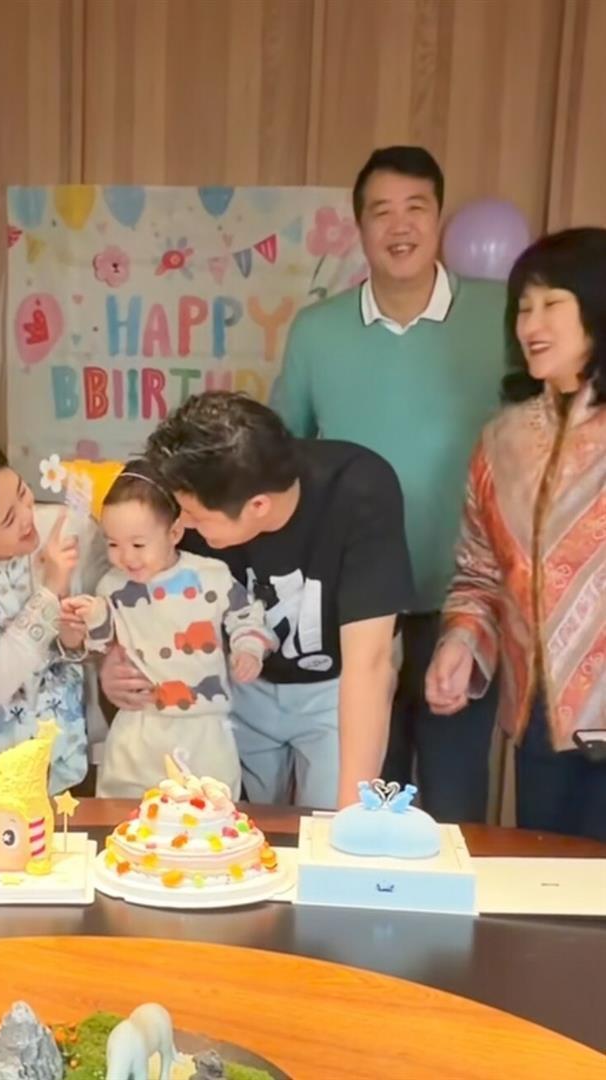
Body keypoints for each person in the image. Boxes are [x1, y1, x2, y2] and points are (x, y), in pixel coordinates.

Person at [270, 146, 506, 823]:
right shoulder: (318, 331)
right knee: (367, 796)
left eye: (415, 208)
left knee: (456, 800)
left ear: (440, 219)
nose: (399, 226)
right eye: (381, 212)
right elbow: (282, 457)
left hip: (466, 602)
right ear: (360, 227)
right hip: (354, 606)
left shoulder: (501, 316)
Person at [103, 393, 415, 809]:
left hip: (335, 690)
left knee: (332, 813)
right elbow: (131, 582)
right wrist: (113, 661)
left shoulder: (358, 488)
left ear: (258, 506)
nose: (182, 525)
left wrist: (351, 816)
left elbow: (371, 663)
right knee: (233, 821)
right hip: (233, 688)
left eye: (196, 517)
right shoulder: (192, 486)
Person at [426, 228, 606, 842]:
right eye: (523, 308)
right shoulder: (502, 441)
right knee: (548, 886)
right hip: (540, 724)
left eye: (552, 303)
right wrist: (461, 643)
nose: (531, 323)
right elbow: (479, 572)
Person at [65, 459, 273, 799]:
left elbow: (248, 616)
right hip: (138, 728)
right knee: (126, 814)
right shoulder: (111, 586)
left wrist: (249, 648)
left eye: (138, 544)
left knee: (210, 811)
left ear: (174, 533)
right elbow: (101, 645)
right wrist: (91, 618)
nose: (126, 557)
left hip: (204, 728)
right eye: (113, 544)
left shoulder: (212, 575)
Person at [0, 439, 107, 793]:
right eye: (8, 519)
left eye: (23, 492)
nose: (27, 515)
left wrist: (75, 640)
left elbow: (95, 636)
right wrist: (50, 589)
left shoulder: (64, 530)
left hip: (68, 758)